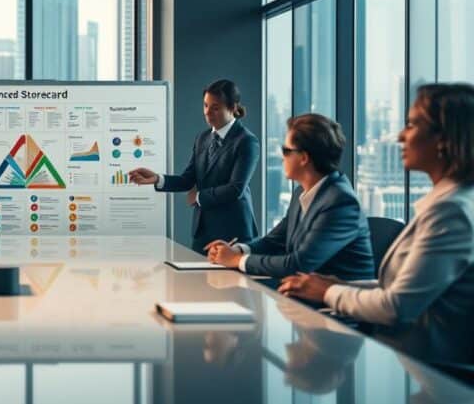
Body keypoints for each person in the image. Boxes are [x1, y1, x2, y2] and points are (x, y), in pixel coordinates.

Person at [280, 83, 474, 364]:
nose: (400, 136)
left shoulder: (450, 213)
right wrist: (342, 285)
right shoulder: (448, 204)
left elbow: (396, 307)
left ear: (443, 139)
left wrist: (328, 292)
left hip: (421, 369)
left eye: (412, 125)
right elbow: (404, 290)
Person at [206, 113, 374, 281]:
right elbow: (274, 241)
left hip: (336, 296)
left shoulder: (340, 202)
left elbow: (298, 265)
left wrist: (237, 260)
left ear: (304, 158)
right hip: (302, 291)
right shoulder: (301, 193)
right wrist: (238, 250)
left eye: (286, 151)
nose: (282, 157)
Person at [130, 79, 259, 253]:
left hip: (232, 232)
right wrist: (157, 179)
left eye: (215, 108)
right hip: (203, 231)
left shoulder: (246, 141)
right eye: (205, 106)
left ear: (233, 107)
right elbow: (187, 179)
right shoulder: (202, 138)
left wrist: (199, 197)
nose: (207, 112)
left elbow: (236, 188)